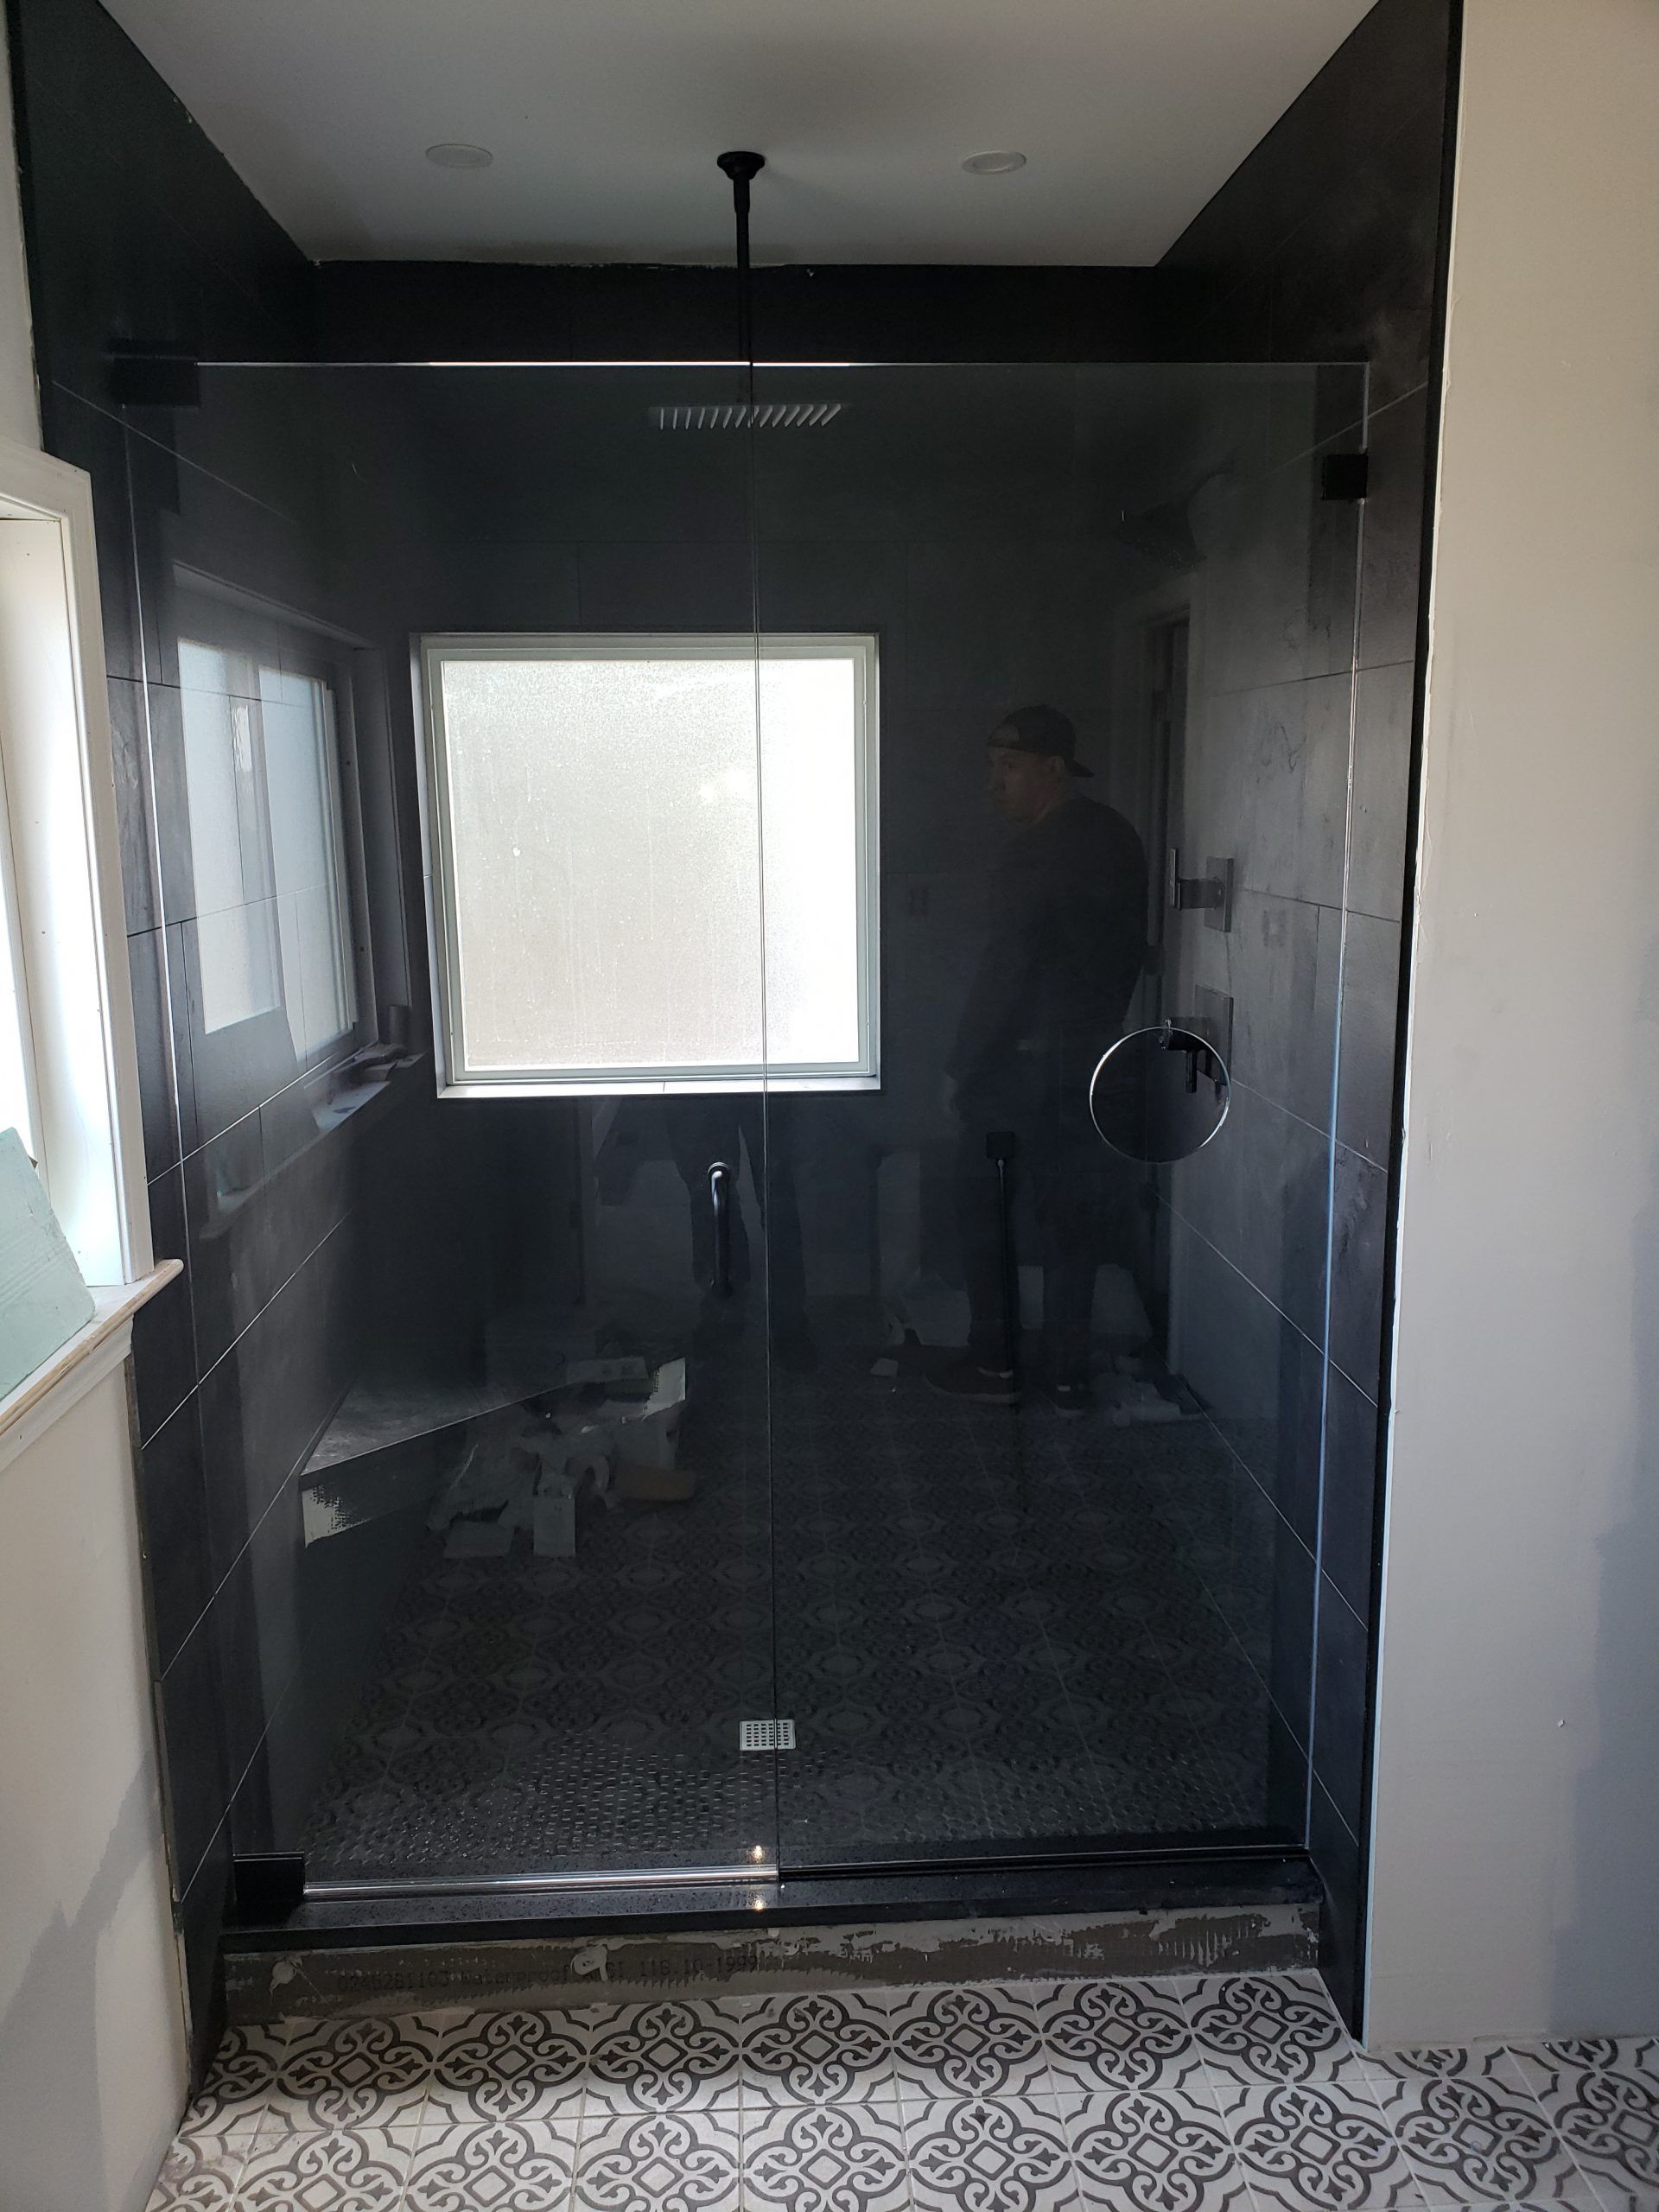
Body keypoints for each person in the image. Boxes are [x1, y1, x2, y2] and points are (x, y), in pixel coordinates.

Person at [932, 705, 1147, 1414]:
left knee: (981, 1203)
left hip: (1022, 1067)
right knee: (1071, 1218)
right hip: (1091, 1061)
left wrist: (963, 1064)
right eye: (992, 763)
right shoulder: (1116, 836)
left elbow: (1006, 970)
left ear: (1053, 770)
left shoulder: (1036, 851)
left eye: (1010, 765)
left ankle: (996, 1364)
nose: (995, 780)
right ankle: (1068, 1376)